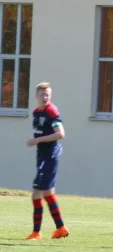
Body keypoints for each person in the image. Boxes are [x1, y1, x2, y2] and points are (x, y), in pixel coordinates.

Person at [25, 82, 69, 240]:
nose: (45, 97)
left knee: (37, 193)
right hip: (43, 155)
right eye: (42, 94)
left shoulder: (51, 112)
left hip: (50, 156)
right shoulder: (36, 112)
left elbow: (60, 134)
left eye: (47, 95)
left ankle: (36, 233)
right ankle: (61, 228)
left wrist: (38, 140)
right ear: (36, 96)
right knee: (48, 192)